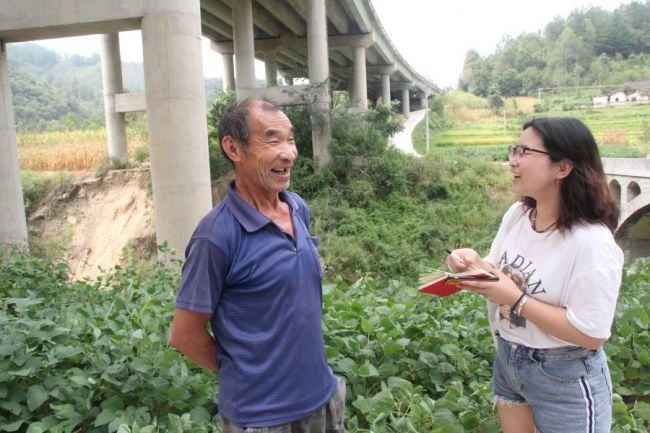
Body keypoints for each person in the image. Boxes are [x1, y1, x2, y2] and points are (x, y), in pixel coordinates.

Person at [169, 99, 345, 433]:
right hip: (262, 419)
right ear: (233, 148)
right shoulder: (215, 236)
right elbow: (185, 336)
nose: (289, 153)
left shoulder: (297, 208)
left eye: (290, 139)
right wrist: (251, 374)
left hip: (323, 399)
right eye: (273, 139)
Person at [446, 117, 623, 433]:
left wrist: (515, 300)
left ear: (562, 168)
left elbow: (591, 334)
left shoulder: (592, 242)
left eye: (525, 151)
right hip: (510, 360)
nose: (512, 160)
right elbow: (498, 271)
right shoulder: (518, 215)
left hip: (564, 375)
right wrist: (473, 264)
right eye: (514, 149)